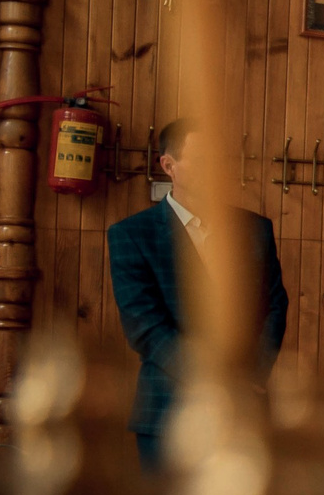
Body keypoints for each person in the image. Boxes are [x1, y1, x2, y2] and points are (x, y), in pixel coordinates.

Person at [106, 119, 289, 470]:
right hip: (168, 409)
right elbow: (144, 325)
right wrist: (208, 379)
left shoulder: (254, 229)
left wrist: (252, 373)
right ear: (168, 166)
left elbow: (274, 305)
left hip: (244, 407)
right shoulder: (132, 235)